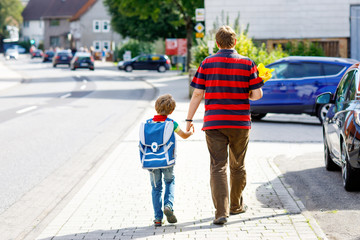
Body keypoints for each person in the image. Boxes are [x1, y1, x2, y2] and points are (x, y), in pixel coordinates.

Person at [186, 25, 264, 225]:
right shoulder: (248, 64)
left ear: (218, 43)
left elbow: (197, 93)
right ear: (235, 42)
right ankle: (236, 206)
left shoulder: (207, 63)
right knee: (238, 165)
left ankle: (221, 212)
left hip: (214, 123)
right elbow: (257, 95)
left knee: (218, 167)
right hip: (239, 124)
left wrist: (188, 120)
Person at [148, 94, 194, 227]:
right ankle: (168, 205)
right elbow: (184, 136)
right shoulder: (172, 123)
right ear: (171, 111)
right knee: (169, 181)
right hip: (167, 160)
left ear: (156, 107)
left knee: (156, 188)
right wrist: (190, 132)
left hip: (151, 161)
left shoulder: (148, 123)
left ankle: (157, 218)